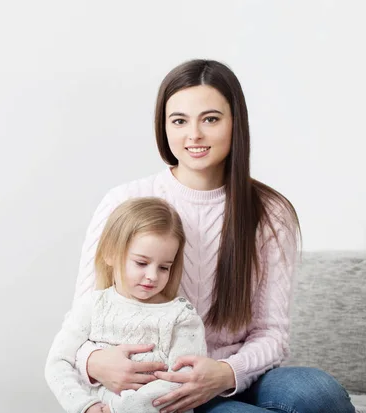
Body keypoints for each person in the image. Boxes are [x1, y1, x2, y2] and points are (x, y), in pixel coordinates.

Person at [72, 59, 355, 413]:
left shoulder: (270, 212)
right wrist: (94, 361)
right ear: (164, 127)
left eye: (210, 119)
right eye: (179, 121)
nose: (194, 135)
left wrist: (224, 372)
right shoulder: (124, 202)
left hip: (238, 374)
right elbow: (81, 321)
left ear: (235, 123)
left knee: (319, 393)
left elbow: (272, 334)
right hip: (164, 383)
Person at [45, 197, 208, 413]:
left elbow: (182, 379)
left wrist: (117, 410)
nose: (152, 276)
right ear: (111, 254)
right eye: (141, 263)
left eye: (164, 267)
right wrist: (86, 407)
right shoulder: (93, 306)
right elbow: (58, 363)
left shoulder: (181, 316)